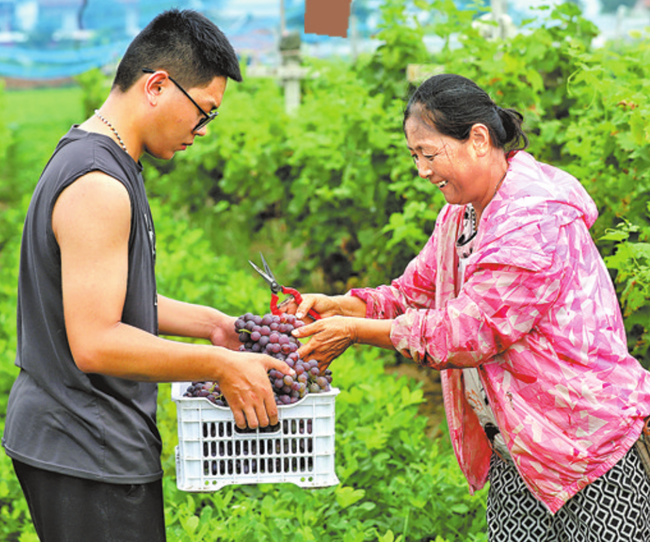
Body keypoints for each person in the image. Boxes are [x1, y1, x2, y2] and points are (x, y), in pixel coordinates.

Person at [287, 74, 650, 541]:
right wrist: (346, 304)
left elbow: (466, 333)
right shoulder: (463, 215)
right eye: (414, 156)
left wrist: (354, 331)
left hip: (586, 446)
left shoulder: (531, 220)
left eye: (429, 154)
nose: (421, 170)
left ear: (478, 139)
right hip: (520, 447)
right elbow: (411, 291)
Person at [2, 9, 294, 542]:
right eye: (203, 113)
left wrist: (209, 323)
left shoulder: (106, 159)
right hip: (87, 446)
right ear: (157, 86)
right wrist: (220, 364)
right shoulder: (99, 185)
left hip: (82, 440)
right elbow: (95, 340)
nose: (202, 132)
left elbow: (109, 297)